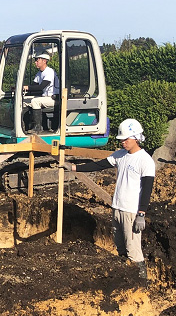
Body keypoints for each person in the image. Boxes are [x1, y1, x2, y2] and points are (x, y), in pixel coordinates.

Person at [64, 118, 156, 280]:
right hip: (117, 208)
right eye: (121, 140)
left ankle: (141, 285)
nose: (122, 142)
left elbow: (147, 189)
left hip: (131, 211)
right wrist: (74, 168)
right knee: (120, 247)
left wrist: (141, 213)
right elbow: (99, 165)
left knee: (133, 250)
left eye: (125, 139)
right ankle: (126, 280)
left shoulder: (145, 161)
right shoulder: (120, 155)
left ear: (136, 138)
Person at [24, 52, 57, 131]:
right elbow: (34, 86)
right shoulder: (39, 73)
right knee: (24, 102)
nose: (35, 62)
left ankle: (38, 127)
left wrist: (27, 87)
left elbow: (41, 87)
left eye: (37, 60)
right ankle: (26, 126)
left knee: (35, 101)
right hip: (45, 97)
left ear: (44, 61)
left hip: (54, 98)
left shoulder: (49, 72)